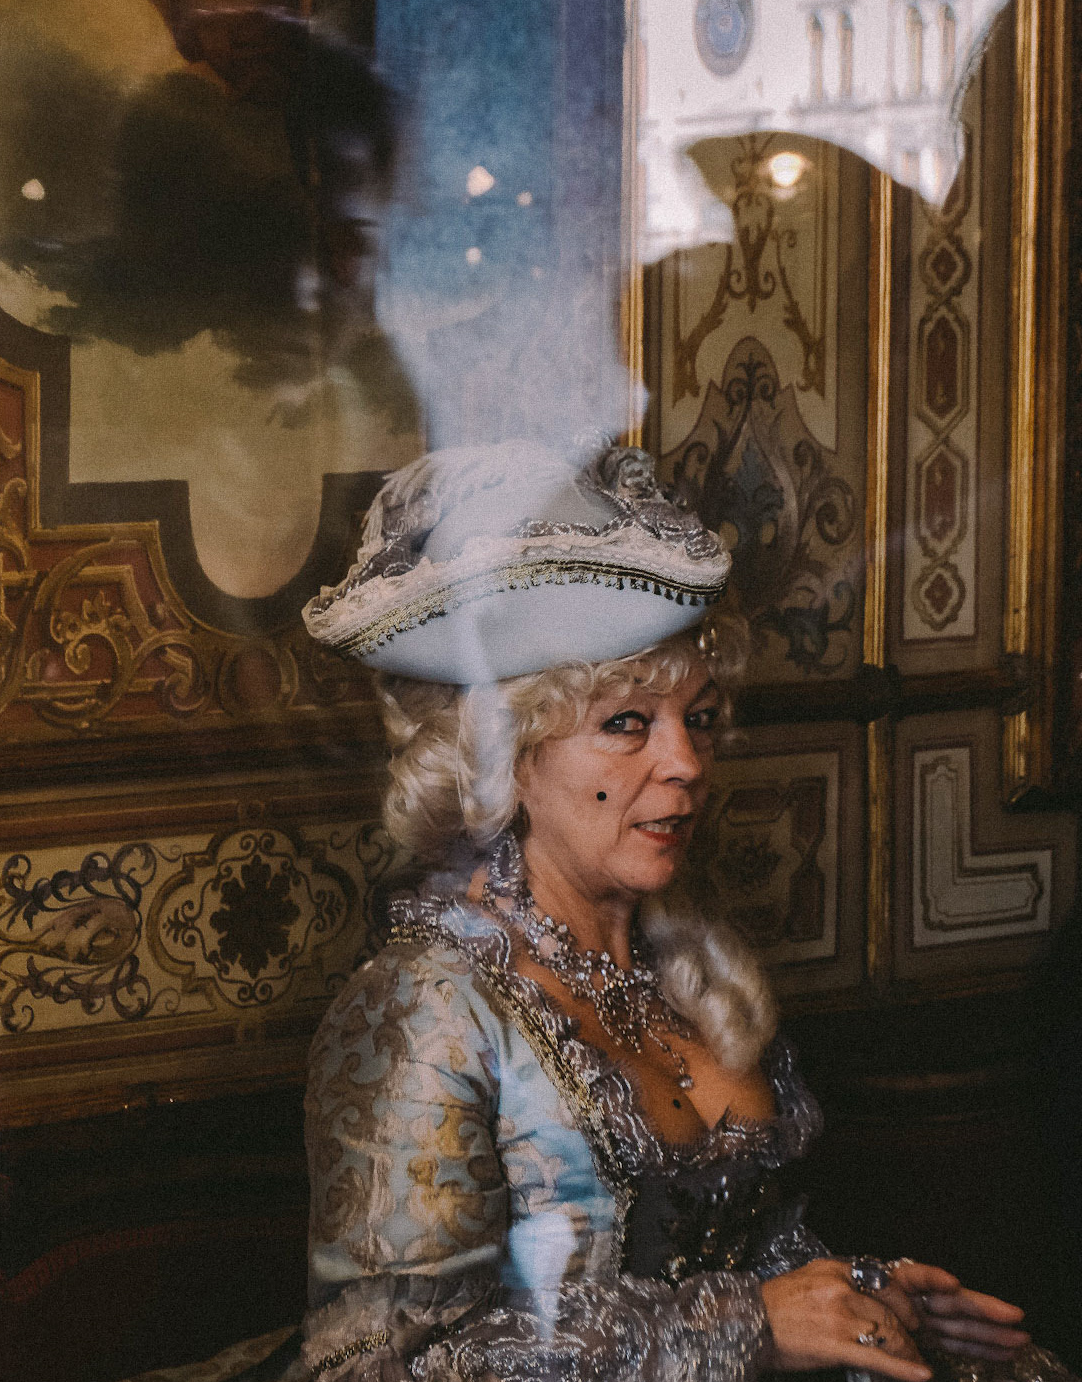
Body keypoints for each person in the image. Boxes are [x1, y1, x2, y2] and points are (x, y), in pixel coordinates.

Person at [293, 440, 1071, 1381]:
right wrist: (749, 1324)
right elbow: (376, 1363)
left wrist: (866, 1298)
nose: (688, 763)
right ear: (503, 757)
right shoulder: (421, 1011)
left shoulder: (690, 962)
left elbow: (746, 1255)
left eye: (699, 719)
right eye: (628, 723)